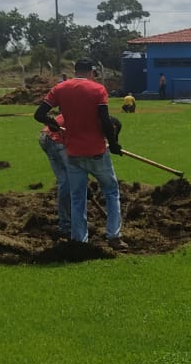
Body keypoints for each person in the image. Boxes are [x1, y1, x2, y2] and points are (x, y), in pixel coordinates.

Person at [33, 58, 126, 249]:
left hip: (72, 152)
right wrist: (114, 144)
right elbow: (105, 121)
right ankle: (114, 236)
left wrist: (53, 123)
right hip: (96, 151)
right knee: (111, 191)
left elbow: (39, 114)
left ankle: (78, 239)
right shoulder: (98, 90)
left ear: (76, 71)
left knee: (77, 197)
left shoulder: (60, 88)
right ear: (91, 71)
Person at [37, 112, 72, 240]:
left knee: (66, 180)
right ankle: (67, 225)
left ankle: (71, 221)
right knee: (69, 181)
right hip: (55, 139)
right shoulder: (91, 117)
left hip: (46, 136)